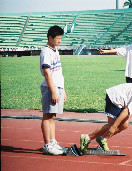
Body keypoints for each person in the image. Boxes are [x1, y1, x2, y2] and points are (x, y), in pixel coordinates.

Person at [40, 25, 67, 155]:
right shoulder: (46, 52)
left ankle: (53, 141)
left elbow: (58, 72)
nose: (60, 41)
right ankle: (47, 145)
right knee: (47, 115)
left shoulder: (55, 50)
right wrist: (54, 91)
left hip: (57, 86)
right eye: (58, 38)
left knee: (53, 116)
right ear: (50, 37)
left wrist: (63, 89)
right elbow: (47, 73)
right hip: (50, 87)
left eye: (61, 38)